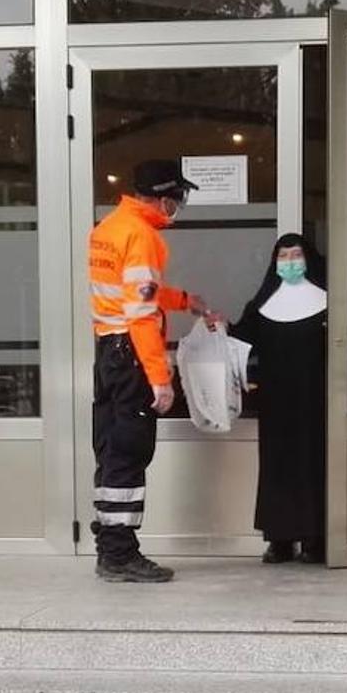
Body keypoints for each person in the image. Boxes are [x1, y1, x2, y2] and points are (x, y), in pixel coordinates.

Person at [89, 159, 213, 583]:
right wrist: (160, 379)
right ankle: (120, 554)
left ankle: (110, 539)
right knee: (130, 450)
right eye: (177, 199)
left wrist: (182, 300)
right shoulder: (142, 237)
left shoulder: (109, 227)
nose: (177, 207)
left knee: (110, 449)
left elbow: (133, 290)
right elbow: (140, 312)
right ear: (163, 198)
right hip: (131, 353)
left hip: (108, 348)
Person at [232, 233, 328, 564]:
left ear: (309, 258)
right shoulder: (260, 305)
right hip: (276, 403)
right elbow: (240, 340)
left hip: (317, 400)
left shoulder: (329, 301)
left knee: (314, 465)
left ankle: (316, 537)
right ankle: (280, 539)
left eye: (296, 254)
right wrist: (216, 328)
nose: (290, 262)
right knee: (277, 467)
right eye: (283, 256)